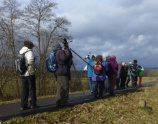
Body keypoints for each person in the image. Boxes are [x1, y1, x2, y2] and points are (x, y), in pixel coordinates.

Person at [19, 40, 38, 110]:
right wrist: (34, 69)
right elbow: (31, 60)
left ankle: (23, 105)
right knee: (32, 88)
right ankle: (33, 104)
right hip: (29, 73)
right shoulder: (29, 52)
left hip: (22, 73)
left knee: (24, 89)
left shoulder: (21, 52)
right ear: (30, 46)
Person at [55, 38, 73, 107]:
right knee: (65, 87)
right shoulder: (60, 52)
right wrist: (67, 50)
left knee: (60, 88)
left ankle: (58, 101)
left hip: (59, 72)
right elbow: (64, 58)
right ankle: (64, 102)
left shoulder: (57, 52)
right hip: (63, 72)